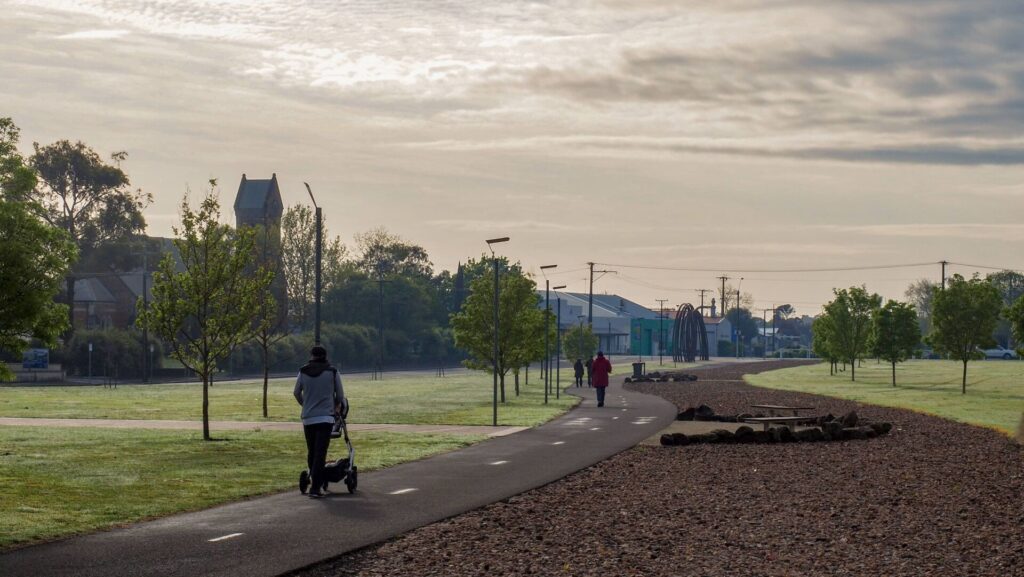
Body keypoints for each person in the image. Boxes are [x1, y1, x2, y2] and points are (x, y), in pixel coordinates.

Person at [294, 345, 347, 499]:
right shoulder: (332, 371)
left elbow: (296, 392)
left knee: (312, 451)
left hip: (308, 417)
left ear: (311, 356)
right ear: (325, 355)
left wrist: (305, 404)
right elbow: (340, 395)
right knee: (320, 452)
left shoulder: (303, 371)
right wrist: (335, 406)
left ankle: (315, 482)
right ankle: (316, 487)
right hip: (326, 417)